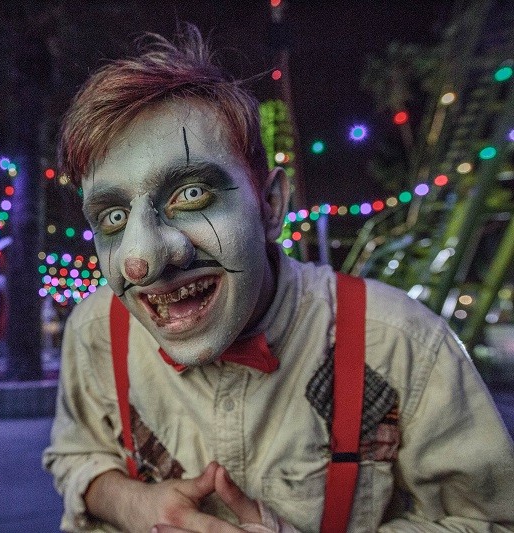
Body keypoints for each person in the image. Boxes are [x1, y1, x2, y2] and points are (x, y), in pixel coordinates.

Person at [42, 24, 514, 532]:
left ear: (271, 206)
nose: (141, 262)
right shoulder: (94, 331)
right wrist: (133, 503)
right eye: (112, 218)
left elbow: (490, 521)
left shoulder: (404, 347)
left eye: (193, 194)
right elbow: (74, 454)